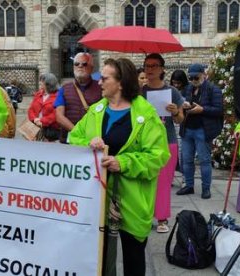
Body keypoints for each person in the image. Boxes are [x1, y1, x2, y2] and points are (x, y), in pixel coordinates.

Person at [69, 58, 170, 276]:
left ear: (121, 83)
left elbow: (158, 156)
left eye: (104, 78)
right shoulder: (96, 110)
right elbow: (73, 137)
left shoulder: (146, 115)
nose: (99, 83)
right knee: (102, 259)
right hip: (99, 202)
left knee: (134, 260)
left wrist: (122, 163)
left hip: (132, 202)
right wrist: (88, 143)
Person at [143, 53, 184, 233]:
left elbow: (180, 120)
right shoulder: (140, 92)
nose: (149, 69)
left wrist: (175, 112)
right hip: (145, 143)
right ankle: (144, 215)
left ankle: (161, 219)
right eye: (147, 65)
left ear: (162, 69)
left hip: (167, 141)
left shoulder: (172, 92)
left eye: (153, 66)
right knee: (144, 181)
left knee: (163, 182)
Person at [176, 63, 223, 199]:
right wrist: (183, 105)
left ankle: (206, 188)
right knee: (187, 160)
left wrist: (202, 109)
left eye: (196, 78)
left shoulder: (213, 89)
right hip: (188, 128)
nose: (193, 81)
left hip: (203, 130)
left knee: (204, 160)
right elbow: (181, 102)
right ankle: (189, 186)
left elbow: (218, 110)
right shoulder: (188, 88)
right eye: (191, 78)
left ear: (204, 75)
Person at [54, 52, 102, 143]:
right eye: (76, 64)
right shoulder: (64, 89)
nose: (80, 66)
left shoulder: (100, 88)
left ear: (91, 68)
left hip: (92, 142)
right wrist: (77, 132)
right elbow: (59, 116)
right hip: (68, 141)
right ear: (73, 67)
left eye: (84, 64)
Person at [28, 73, 60, 142]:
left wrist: (42, 121)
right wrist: (34, 119)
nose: (40, 83)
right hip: (35, 128)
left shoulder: (58, 96)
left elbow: (56, 114)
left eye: (42, 82)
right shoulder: (38, 94)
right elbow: (31, 109)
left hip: (51, 131)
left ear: (49, 84)